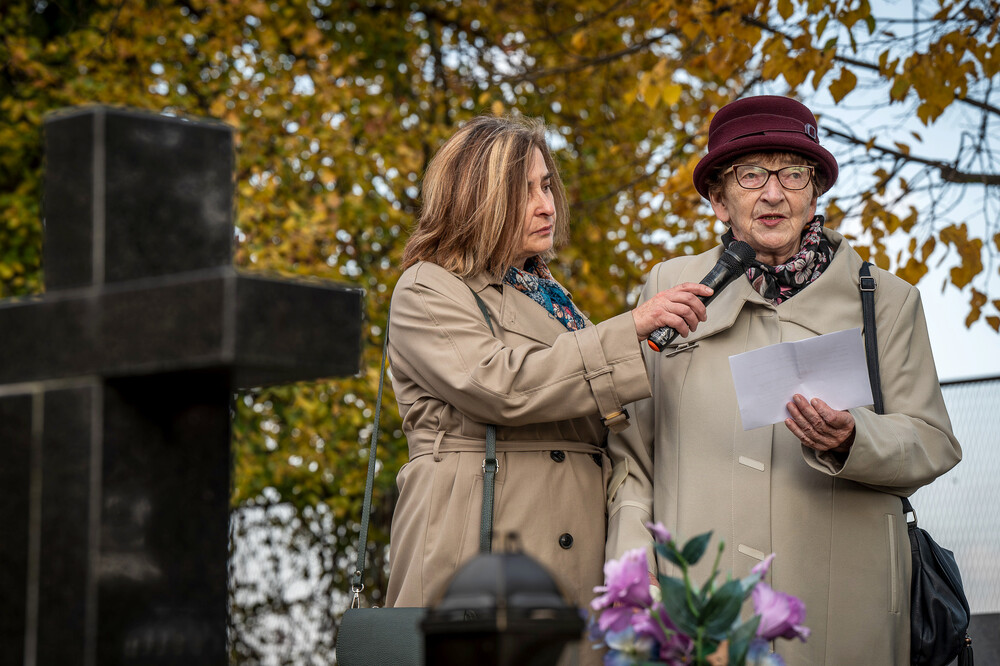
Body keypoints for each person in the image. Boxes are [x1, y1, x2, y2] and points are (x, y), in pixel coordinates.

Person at [605, 96, 962, 664]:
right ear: (719, 199)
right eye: (751, 175)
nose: (773, 194)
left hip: (848, 613)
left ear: (813, 193)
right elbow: (632, 457)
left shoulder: (887, 302)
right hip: (700, 605)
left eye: (793, 174)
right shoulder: (667, 290)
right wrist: (634, 568)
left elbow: (933, 441)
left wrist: (854, 439)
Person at [383, 114, 713, 627]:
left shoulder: (557, 302)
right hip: (475, 553)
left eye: (546, 185)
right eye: (525, 191)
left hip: (571, 558)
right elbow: (498, 385)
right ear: (476, 198)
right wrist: (630, 328)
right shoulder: (427, 286)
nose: (547, 204)